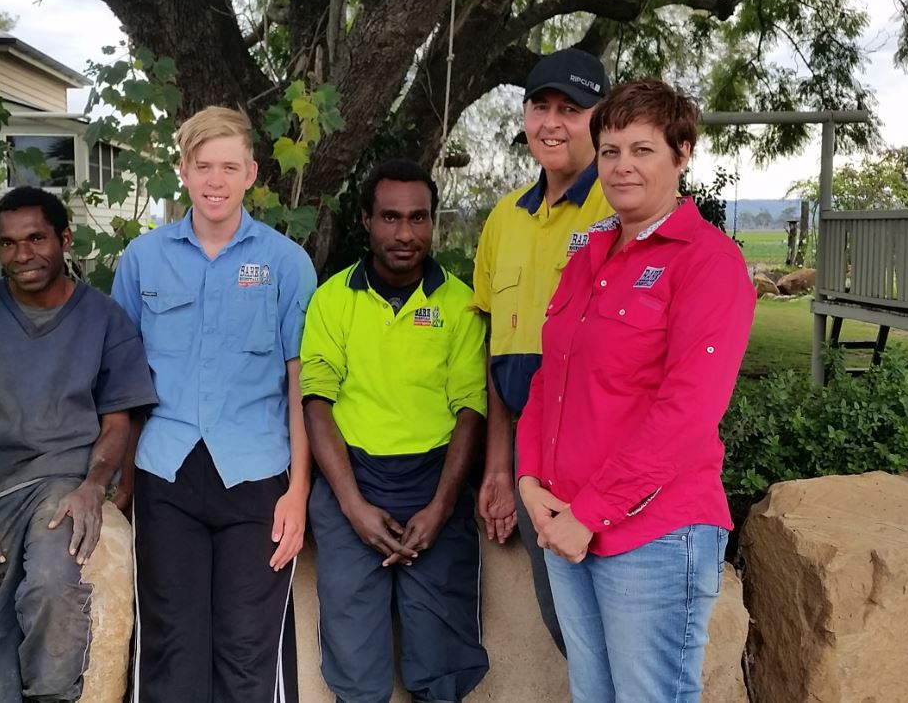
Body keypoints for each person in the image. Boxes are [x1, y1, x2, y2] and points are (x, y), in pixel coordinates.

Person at [516, 80, 755, 702]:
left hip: (653, 535)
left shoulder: (708, 262)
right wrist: (530, 482)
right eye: (611, 150)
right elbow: (550, 378)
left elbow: (688, 413)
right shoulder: (590, 253)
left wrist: (590, 514)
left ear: (681, 155)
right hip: (566, 523)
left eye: (642, 150)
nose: (623, 166)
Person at [111, 105, 318, 702]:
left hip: (256, 477)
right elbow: (123, 382)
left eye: (230, 167)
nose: (216, 181)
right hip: (165, 476)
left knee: (247, 648)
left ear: (252, 173)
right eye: (204, 166)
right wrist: (122, 486)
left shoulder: (285, 263)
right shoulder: (144, 260)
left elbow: (299, 387)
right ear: (183, 169)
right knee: (170, 642)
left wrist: (297, 495)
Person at [0, 187, 158, 702]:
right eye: (9, 243)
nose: (23, 254)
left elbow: (117, 418)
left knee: (51, 588)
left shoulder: (104, 319)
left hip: (60, 483)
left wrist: (94, 489)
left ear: (64, 239)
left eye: (36, 238)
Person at [302, 159, 489, 703]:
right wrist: (353, 506)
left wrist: (441, 506)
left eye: (418, 218)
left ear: (433, 221)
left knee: (441, 659)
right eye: (389, 217)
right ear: (366, 220)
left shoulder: (458, 304)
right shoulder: (333, 299)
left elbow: (470, 411)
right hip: (351, 481)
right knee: (356, 665)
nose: (405, 233)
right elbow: (317, 405)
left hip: (435, 482)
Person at [472, 47, 613, 652]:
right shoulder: (505, 218)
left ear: (601, 118)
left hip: (602, 456)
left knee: (624, 635)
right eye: (540, 107)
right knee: (568, 627)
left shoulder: (620, 204)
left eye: (572, 109)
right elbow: (496, 349)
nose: (552, 123)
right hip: (533, 465)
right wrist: (499, 469)